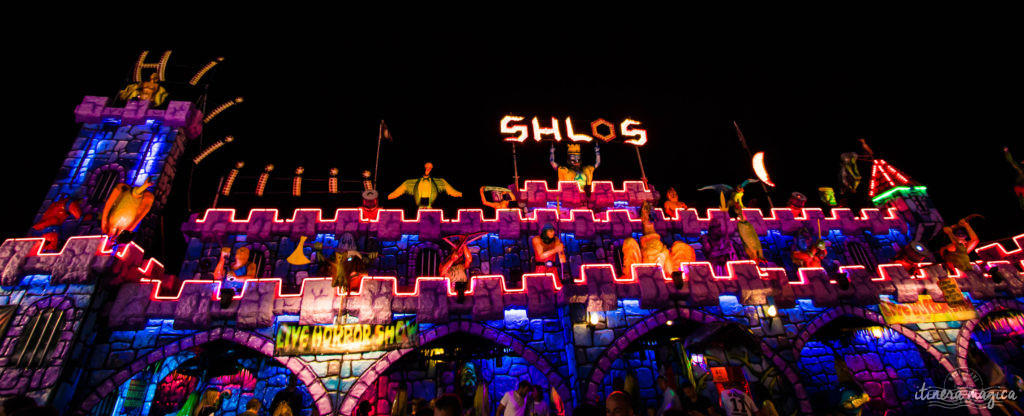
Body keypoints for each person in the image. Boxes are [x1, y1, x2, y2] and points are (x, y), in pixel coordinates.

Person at [388, 162, 463, 209]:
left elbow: (451, 190)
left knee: (429, 219)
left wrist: (459, 194)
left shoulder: (440, 181)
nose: (428, 169)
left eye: (430, 167)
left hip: (429, 204)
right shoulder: (410, 182)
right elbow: (399, 190)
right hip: (420, 204)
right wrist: (390, 196)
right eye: (427, 167)